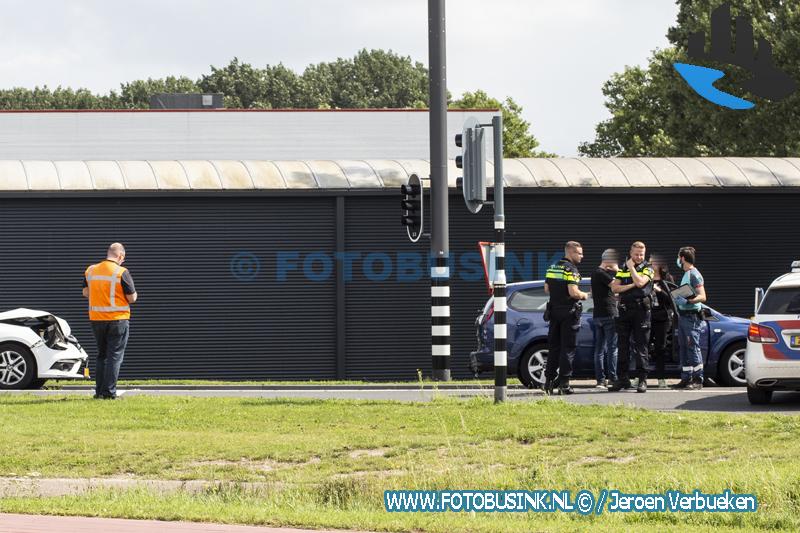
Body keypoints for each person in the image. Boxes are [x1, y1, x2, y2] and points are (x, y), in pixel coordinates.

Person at [83, 243, 138, 399]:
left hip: (96, 319)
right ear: (120, 256)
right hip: (117, 320)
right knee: (114, 356)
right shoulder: (122, 272)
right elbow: (131, 298)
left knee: (101, 355)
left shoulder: (91, 270)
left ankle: (99, 392)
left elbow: (85, 292)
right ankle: (109, 392)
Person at [608, 241, 654, 393]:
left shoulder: (648, 268)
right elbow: (614, 287)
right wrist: (631, 285)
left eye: (641, 254)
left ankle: (642, 380)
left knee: (641, 347)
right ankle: (623, 379)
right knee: (622, 346)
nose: (639, 257)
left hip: (641, 311)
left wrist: (632, 267)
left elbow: (641, 283)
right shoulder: (623, 268)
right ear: (630, 253)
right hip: (624, 310)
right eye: (636, 254)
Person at [543, 241, 589, 395]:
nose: (582, 256)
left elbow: (546, 289)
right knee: (568, 348)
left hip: (554, 312)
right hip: (569, 313)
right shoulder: (572, 269)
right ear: (570, 252)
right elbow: (573, 293)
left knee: (554, 348)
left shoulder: (552, 267)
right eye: (579, 253)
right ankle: (564, 384)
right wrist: (585, 295)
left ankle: (548, 382)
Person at [671, 246, 707, 390]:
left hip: (692, 317)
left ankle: (698, 379)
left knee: (693, 347)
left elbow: (703, 296)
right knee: (684, 348)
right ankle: (686, 378)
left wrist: (688, 301)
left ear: (683, 258)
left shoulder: (694, 274)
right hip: (683, 316)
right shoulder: (686, 274)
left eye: (679, 257)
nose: (678, 260)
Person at [591, 249, 619, 388]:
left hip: (597, 315)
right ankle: (613, 378)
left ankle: (600, 380)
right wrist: (618, 270)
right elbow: (616, 286)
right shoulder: (602, 273)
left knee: (599, 349)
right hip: (609, 314)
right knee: (612, 348)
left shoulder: (595, 273)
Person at [650, 255, 675, 389]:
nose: (651, 265)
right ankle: (639, 376)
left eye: (653, 263)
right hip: (648, 316)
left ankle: (661, 378)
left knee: (660, 347)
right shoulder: (646, 278)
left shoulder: (667, 279)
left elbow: (672, 299)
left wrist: (659, 290)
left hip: (663, 318)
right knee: (643, 347)